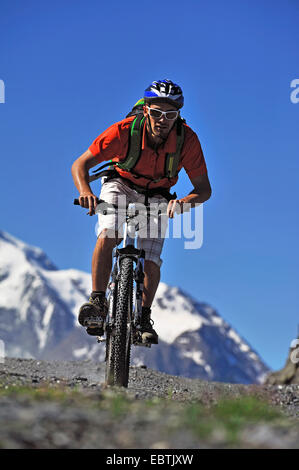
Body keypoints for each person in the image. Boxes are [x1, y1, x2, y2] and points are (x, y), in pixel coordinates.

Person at [71, 79, 212, 344]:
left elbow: (203, 190)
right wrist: (85, 192)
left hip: (158, 195)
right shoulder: (124, 131)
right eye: (157, 113)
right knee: (108, 233)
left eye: (170, 115)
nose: (163, 120)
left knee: (151, 258)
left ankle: (143, 317)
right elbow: (80, 165)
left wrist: (183, 202)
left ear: (178, 116)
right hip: (120, 183)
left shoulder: (188, 141)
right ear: (146, 110)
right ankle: (98, 301)